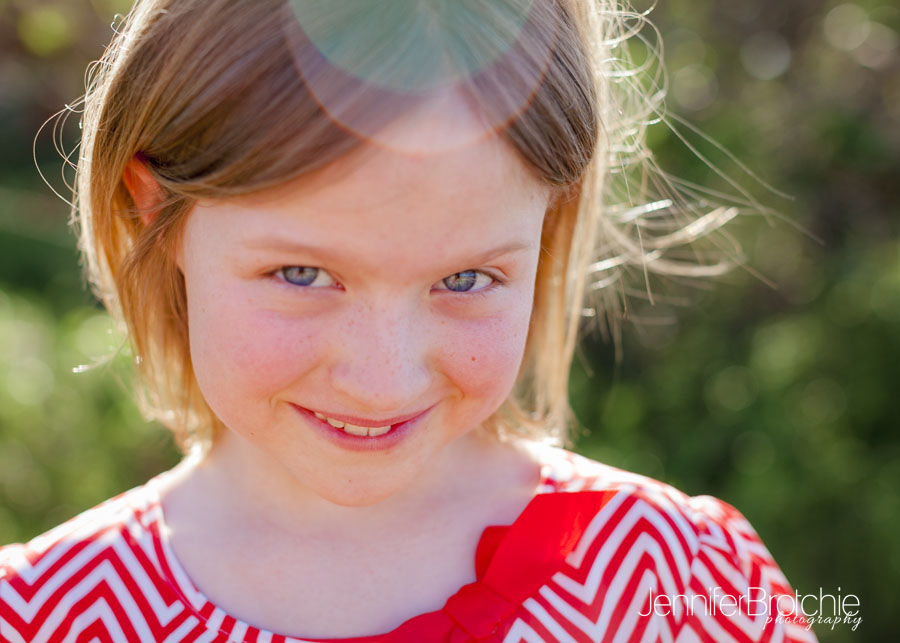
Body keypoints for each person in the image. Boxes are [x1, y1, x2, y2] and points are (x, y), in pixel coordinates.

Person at [0, 1, 817, 641]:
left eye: (466, 279)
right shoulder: (42, 618)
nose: (382, 380)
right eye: (302, 274)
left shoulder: (682, 589)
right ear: (156, 214)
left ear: (549, 222)